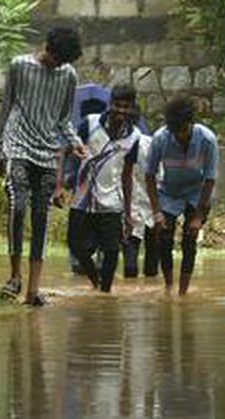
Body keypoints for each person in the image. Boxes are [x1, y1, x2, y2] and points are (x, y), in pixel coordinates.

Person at [0, 26, 88, 307]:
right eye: (56, 58)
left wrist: (75, 142)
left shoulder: (68, 75)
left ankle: (33, 290)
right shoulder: (19, 66)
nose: (58, 65)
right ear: (47, 47)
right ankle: (14, 277)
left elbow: (62, 119)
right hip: (18, 144)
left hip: (47, 151)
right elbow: (6, 108)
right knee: (18, 206)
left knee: (41, 217)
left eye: (63, 62)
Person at [67, 84, 142, 294]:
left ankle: (104, 293)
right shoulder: (90, 123)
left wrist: (128, 213)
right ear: (110, 104)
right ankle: (95, 281)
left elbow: (128, 175)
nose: (121, 111)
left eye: (126, 107)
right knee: (75, 245)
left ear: (131, 108)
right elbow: (67, 149)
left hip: (112, 202)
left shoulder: (134, 137)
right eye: (117, 105)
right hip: (82, 199)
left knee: (111, 252)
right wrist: (60, 185)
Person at [144, 97, 219, 295]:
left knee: (189, 240)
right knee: (164, 238)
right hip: (169, 192)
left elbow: (210, 178)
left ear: (190, 124)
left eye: (183, 131)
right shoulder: (160, 138)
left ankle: (183, 292)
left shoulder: (207, 139)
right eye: (175, 132)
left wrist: (198, 217)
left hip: (197, 193)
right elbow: (149, 175)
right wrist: (157, 212)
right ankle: (168, 287)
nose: (179, 136)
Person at [57, 97, 108, 275]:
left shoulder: (84, 130)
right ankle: (90, 261)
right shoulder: (94, 132)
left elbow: (70, 162)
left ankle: (81, 261)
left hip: (87, 192)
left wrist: (67, 181)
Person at [122, 113, 156, 279]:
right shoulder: (113, 145)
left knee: (150, 267)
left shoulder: (149, 144)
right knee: (131, 267)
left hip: (150, 206)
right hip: (128, 208)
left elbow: (159, 176)